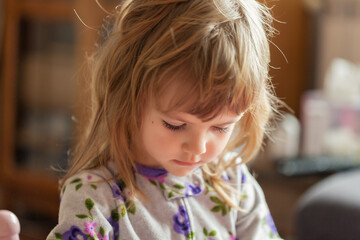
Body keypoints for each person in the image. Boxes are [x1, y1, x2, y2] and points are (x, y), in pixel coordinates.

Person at [47, 0, 283, 239]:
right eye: (176, 125)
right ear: (129, 96)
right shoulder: (94, 197)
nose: (198, 148)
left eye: (221, 127)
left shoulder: (234, 182)